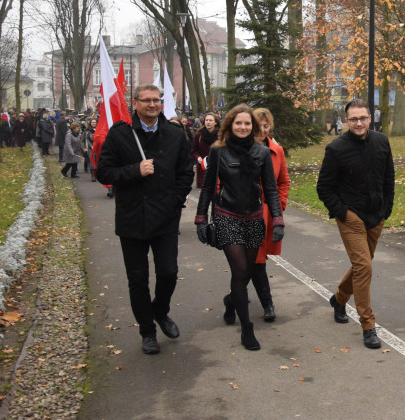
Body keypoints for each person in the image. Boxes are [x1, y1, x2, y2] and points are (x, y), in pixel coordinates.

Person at [96, 84, 194, 355]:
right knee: (137, 280)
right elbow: (103, 172)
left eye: (156, 100)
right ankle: (147, 331)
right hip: (132, 219)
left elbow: (186, 172)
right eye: (146, 101)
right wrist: (134, 171)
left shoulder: (174, 134)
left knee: (168, 273)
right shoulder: (120, 134)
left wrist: (175, 202)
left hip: (165, 218)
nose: (152, 105)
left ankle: (160, 311)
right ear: (135, 103)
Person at [195, 104, 284, 351]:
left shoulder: (262, 153)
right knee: (241, 269)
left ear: (253, 127)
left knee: (244, 275)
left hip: (254, 218)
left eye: (247, 124)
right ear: (230, 126)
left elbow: (271, 189)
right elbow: (208, 186)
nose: (243, 127)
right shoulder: (218, 151)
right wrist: (201, 217)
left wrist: (277, 219)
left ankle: (231, 300)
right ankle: (247, 328)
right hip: (227, 215)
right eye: (238, 123)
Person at [316, 98, 395, 350]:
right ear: (346, 121)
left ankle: (339, 300)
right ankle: (368, 325)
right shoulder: (336, 149)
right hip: (351, 217)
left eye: (362, 118)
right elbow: (324, 188)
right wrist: (342, 212)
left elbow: (389, 178)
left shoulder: (381, 142)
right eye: (353, 119)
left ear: (370, 118)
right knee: (364, 267)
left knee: (363, 266)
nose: (358, 123)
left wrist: (386, 209)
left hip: (376, 215)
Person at [244, 107, 291, 323]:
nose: (263, 129)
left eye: (266, 125)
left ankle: (233, 298)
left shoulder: (276, 150)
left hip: (269, 210)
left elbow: (283, 181)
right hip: (245, 212)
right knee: (256, 258)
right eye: (259, 125)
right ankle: (267, 303)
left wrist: (279, 205)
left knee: (257, 258)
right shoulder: (241, 149)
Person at [191, 112, 219, 189]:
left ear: (215, 122)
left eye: (210, 120)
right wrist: (198, 157)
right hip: (203, 168)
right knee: (204, 191)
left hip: (217, 167)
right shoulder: (199, 135)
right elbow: (194, 150)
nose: (208, 122)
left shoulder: (220, 135)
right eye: (206, 120)